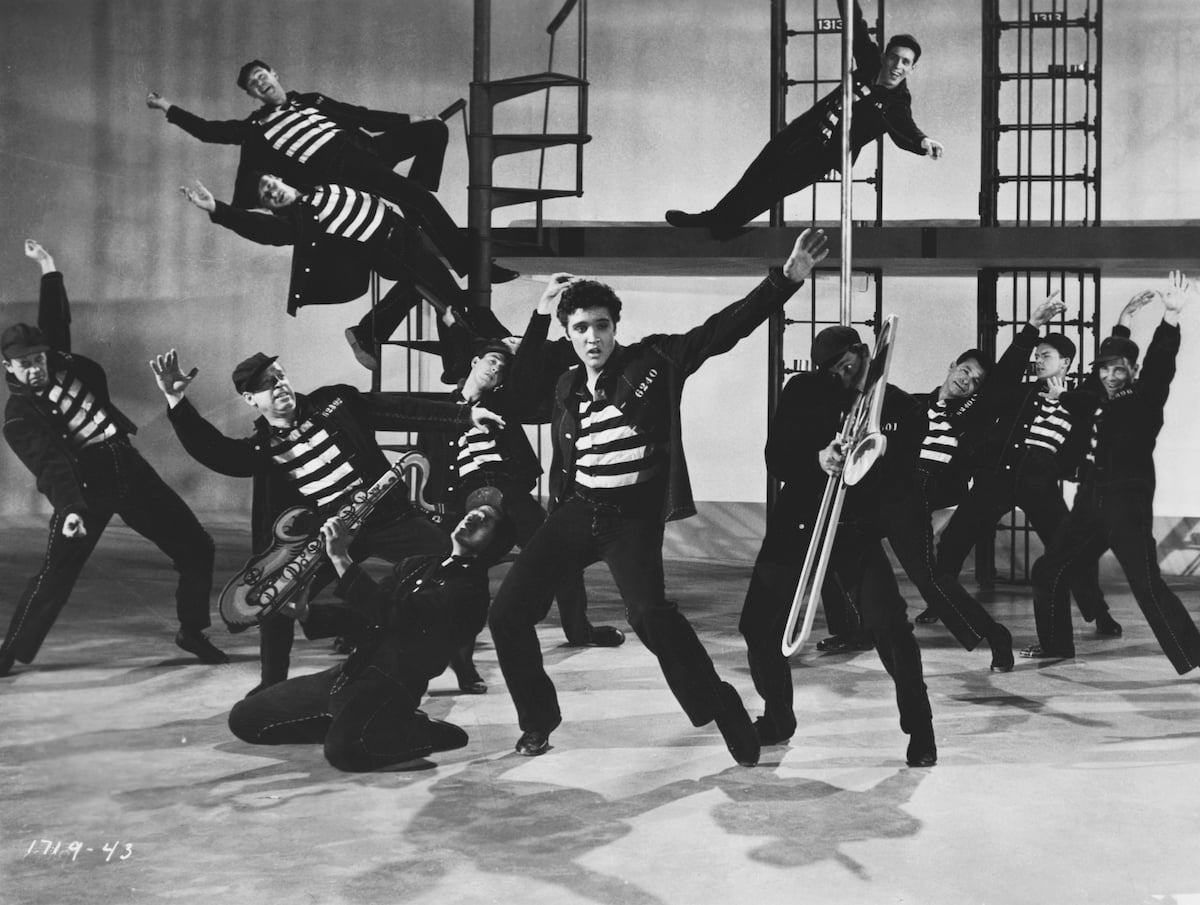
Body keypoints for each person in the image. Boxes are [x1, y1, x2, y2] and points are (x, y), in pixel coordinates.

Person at [486, 227, 830, 768]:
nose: (593, 337)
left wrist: (783, 282)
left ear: (615, 327)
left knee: (650, 615)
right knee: (506, 613)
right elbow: (519, 388)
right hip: (577, 511)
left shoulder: (652, 361)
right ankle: (538, 720)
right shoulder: (566, 385)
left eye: (602, 325)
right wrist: (541, 310)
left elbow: (720, 332)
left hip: (629, 519)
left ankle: (721, 705)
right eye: (581, 328)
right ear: (569, 335)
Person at [149, 348, 502, 694]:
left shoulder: (335, 403)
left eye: (280, 376)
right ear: (250, 399)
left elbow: (398, 409)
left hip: (387, 518)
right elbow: (217, 452)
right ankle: (272, 685)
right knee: (276, 599)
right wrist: (176, 401)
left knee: (453, 565)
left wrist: (463, 416)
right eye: (267, 384)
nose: (279, 385)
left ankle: (463, 666)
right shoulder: (262, 447)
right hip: (333, 535)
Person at [1, 241, 225, 678]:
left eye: (37, 358)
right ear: (8, 368)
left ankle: (192, 631)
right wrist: (70, 509)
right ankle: (9, 650)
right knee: (56, 573)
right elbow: (50, 466)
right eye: (23, 364)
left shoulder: (61, 362)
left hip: (127, 464)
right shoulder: (19, 416)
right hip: (84, 486)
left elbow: (55, 319)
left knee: (197, 545)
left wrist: (48, 265)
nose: (34, 368)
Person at [226, 502, 515, 772]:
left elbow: (397, 615)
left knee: (345, 753)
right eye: (474, 512)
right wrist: (306, 613)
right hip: (349, 674)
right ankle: (357, 724)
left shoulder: (471, 593)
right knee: (245, 719)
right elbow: (365, 616)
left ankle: (417, 729)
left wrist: (341, 558)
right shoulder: (417, 564)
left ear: (495, 544)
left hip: (389, 687)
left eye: (485, 520)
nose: (473, 516)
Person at [146, 60, 483, 279]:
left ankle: (416, 203)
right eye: (253, 84)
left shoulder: (311, 100)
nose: (260, 83)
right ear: (251, 94)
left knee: (433, 131)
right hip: (341, 168)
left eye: (262, 76)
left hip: (369, 150)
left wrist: (413, 119)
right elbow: (208, 131)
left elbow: (360, 115)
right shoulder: (256, 128)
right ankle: (465, 260)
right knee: (419, 199)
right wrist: (166, 107)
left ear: (274, 74)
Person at [1023, 273, 1200, 672]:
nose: (1109, 376)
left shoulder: (1144, 399)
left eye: (1118, 370)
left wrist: (1170, 318)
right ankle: (1056, 644)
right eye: (1104, 369)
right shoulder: (1095, 397)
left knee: (1146, 586)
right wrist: (1122, 322)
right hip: (1090, 501)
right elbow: (1088, 390)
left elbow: (1160, 365)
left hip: (1126, 503)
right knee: (1049, 570)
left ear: (1132, 371)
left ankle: (1194, 653)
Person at [664, 0, 942, 239]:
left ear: (912, 69)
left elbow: (906, 129)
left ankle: (722, 225)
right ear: (884, 57)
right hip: (804, 129)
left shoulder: (897, 103)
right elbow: (855, 24)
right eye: (894, 58)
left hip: (820, 155)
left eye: (906, 62)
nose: (897, 66)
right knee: (756, 173)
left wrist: (924, 142)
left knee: (772, 187)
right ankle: (713, 219)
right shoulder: (870, 61)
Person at [419, 337, 625, 654]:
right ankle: (434, 629)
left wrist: (531, 337)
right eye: (492, 361)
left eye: (502, 368)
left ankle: (579, 630)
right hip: (465, 496)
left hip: (508, 489)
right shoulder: (438, 412)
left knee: (561, 552)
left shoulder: (504, 402)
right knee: (453, 563)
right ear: (474, 362)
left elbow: (530, 373)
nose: (496, 369)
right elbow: (426, 463)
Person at [179, 177, 509, 370]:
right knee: (450, 298)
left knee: (425, 289)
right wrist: (218, 209)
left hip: (404, 232)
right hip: (390, 248)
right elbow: (266, 231)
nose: (273, 192)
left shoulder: (320, 186)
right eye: (267, 197)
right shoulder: (297, 219)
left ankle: (371, 333)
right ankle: (481, 353)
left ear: (279, 178)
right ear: (268, 207)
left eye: (270, 184)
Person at [925, 309, 1120, 636]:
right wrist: (1031, 329)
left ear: (1065, 362)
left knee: (1070, 548)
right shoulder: (1020, 392)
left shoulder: (1078, 398)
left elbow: (1103, 390)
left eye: (1046, 355)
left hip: (1040, 482)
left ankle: (1099, 613)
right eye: (1037, 355)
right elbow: (997, 384)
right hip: (997, 477)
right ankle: (939, 601)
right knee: (954, 539)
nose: (1038, 360)